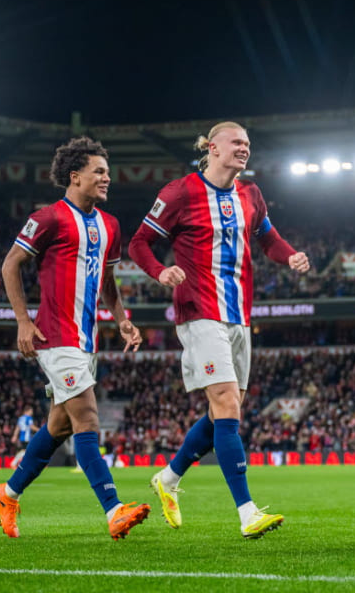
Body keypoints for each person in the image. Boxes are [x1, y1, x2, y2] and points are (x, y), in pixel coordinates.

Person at [129, 121, 310, 539]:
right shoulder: (179, 193)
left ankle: (169, 479)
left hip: (240, 315)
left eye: (248, 144)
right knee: (228, 405)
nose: (244, 149)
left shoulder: (251, 194)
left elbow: (268, 238)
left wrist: (291, 256)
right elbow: (139, 242)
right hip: (198, 311)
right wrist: (160, 271)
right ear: (212, 147)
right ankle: (247, 512)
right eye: (236, 143)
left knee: (224, 412)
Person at [0, 137, 150, 540]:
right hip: (55, 335)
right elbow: (11, 265)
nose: (106, 177)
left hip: (87, 339)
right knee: (87, 417)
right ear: (74, 176)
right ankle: (114, 510)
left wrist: (122, 320)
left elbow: (109, 283)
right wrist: (23, 322)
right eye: (99, 171)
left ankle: (8, 493)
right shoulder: (48, 219)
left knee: (60, 425)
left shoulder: (110, 225)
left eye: (107, 172)